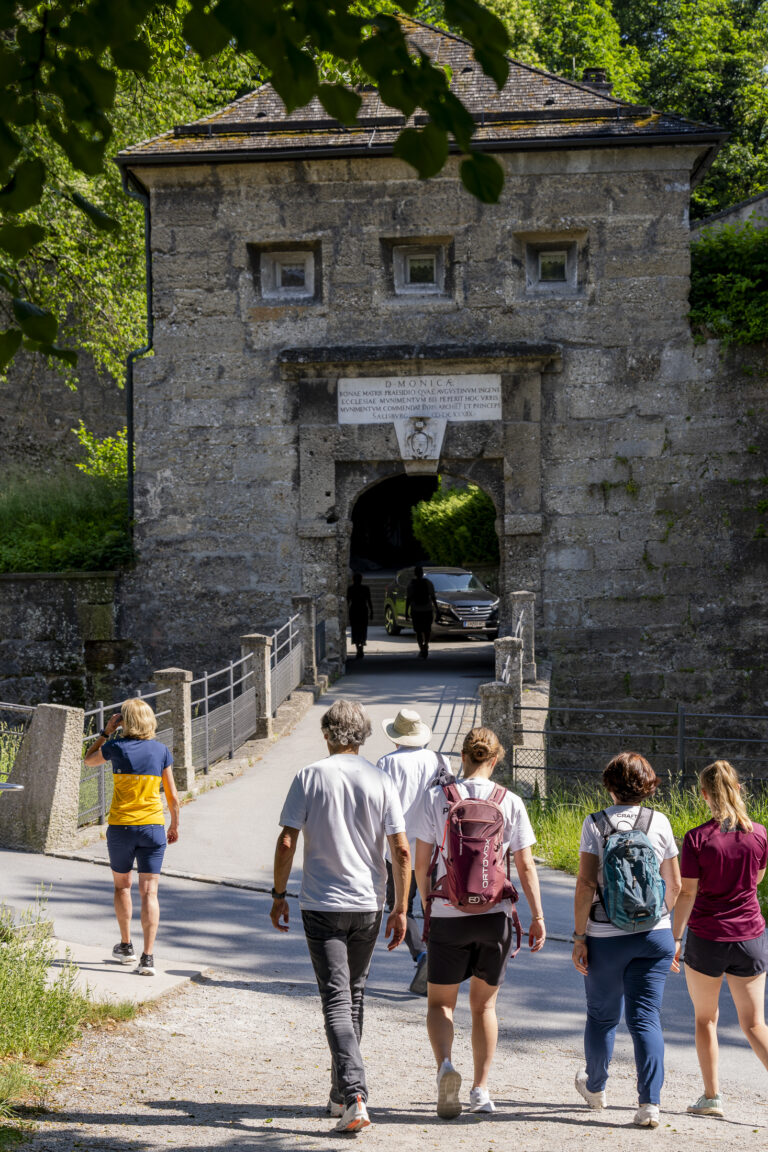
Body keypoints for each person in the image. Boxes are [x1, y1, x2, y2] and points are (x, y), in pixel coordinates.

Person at [270, 699, 410, 1135]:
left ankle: (353, 1095)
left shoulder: (310, 776)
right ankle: (339, 1094)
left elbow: (287, 841)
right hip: (368, 903)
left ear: (328, 734)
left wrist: (278, 894)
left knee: (336, 999)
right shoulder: (381, 779)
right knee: (354, 996)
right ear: (363, 735)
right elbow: (401, 850)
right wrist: (401, 907)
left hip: (322, 902)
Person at [412, 727, 545, 1118]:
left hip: (448, 914)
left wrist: (428, 905)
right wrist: (537, 916)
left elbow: (421, 863)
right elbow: (525, 866)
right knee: (485, 1006)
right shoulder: (510, 802)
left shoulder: (436, 798)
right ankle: (481, 1090)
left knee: (440, 1004)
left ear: (463, 757)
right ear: (496, 759)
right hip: (494, 917)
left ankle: (445, 1066)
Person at [572, 751, 681, 1129]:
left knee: (602, 1017)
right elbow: (676, 885)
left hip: (605, 936)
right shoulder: (660, 821)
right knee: (646, 1018)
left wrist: (580, 936)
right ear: (648, 785)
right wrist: (658, 920)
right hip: (655, 936)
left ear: (610, 785)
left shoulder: (595, 824)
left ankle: (596, 1088)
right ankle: (649, 1104)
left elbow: (586, 883)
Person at [672, 759, 768, 1119]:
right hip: (750, 936)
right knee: (754, 1024)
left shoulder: (697, 838)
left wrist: (675, 937)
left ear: (704, 794)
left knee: (705, 1019)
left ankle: (712, 1097)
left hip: (707, 937)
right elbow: (756, 880)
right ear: (739, 789)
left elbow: (687, 893)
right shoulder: (759, 834)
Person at [83, 697, 180, 976]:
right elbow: (173, 797)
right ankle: (148, 958)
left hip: (121, 828)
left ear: (124, 721)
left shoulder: (114, 746)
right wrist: (174, 825)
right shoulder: (161, 751)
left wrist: (105, 732)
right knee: (150, 892)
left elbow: (89, 761)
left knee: (122, 887)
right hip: (152, 828)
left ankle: (126, 946)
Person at [377, 706, 453, 996]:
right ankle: (436, 958)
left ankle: (421, 955)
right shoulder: (440, 760)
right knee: (432, 906)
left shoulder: (386, 763)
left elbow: (378, 806)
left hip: (398, 848)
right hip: (434, 848)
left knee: (398, 905)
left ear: (395, 737)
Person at [405, 565, 438, 659]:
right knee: (427, 630)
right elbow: (433, 597)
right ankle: (426, 645)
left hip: (416, 610)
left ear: (415, 573)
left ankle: (421, 648)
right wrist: (437, 609)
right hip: (427, 609)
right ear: (422, 573)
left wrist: (406, 611)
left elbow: (408, 599)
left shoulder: (411, 584)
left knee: (418, 631)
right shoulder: (428, 583)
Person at [346, 572, 374, 660]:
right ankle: (361, 646)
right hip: (362, 610)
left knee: (355, 630)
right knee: (362, 630)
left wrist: (346, 613)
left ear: (353, 580)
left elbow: (347, 601)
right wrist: (371, 611)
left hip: (354, 610)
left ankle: (358, 648)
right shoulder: (365, 588)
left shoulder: (350, 588)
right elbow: (369, 600)